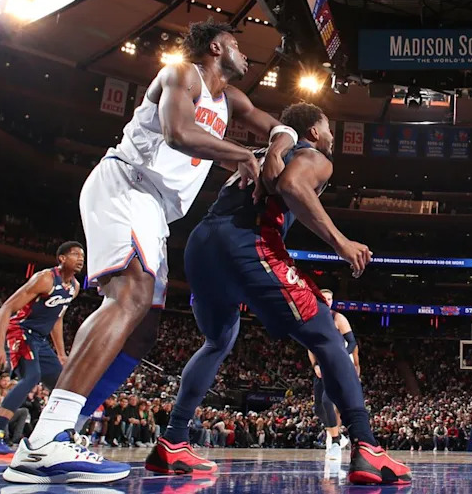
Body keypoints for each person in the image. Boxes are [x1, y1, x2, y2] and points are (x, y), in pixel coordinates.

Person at [4, 20, 297, 484]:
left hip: (155, 210)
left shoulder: (231, 101)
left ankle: (61, 433)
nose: (246, 57)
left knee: (141, 332)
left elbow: (281, 127)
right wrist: (245, 156)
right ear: (217, 47)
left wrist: (274, 149)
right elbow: (179, 133)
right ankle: (47, 440)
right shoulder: (183, 74)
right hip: (127, 184)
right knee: (130, 297)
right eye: (238, 46)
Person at [144, 103, 410, 485]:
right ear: (314, 132)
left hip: (202, 242)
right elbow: (291, 186)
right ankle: (367, 448)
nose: (332, 135)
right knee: (326, 335)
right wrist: (341, 242)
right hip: (246, 240)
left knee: (218, 339)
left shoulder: (259, 152)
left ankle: (173, 440)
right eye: (328, 127)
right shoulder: (313, 155)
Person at [0, 241, 82, 457]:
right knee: (32, 377)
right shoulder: (45, 278)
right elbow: (7, 308)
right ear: (61, 258)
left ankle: (50, 436)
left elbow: (57, 319)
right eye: (75, 254)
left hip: (40, 339)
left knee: (62, 385)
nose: (80, 259)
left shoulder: (74, 287)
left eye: (82, 256)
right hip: (20, 331)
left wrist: (61, 353)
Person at [308, 289, 358, 460]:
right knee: (318, 408)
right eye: (324, 298)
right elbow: (310, 347)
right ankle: (340, 437)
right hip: (321, 366)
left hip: (337, 366)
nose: (327, 301)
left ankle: (335, 441)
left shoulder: (338, 318)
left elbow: (352, 342)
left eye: (330, 298)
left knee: (327, 400)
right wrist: (315, 365)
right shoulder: (311, 317)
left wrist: (342, 357)